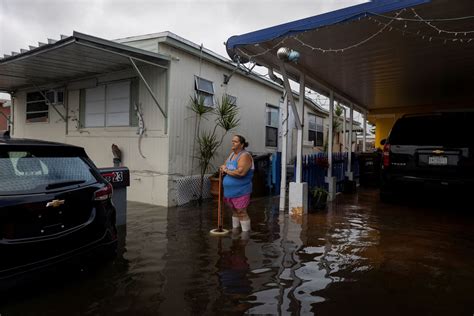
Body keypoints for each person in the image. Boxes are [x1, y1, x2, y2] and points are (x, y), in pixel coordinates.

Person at [220, 135, 254, 233]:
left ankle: (245, 235)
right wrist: (223, 168)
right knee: (234, 211)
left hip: (241, 190)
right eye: (232, 141)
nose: (233, 143)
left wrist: (226, 170)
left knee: (241, 212)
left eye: (235, 141)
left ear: (242, 144)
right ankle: (235, 232)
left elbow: (241, 172)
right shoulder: (232, 155)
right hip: (230, 191)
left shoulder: (245, 156)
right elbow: (225, 165)